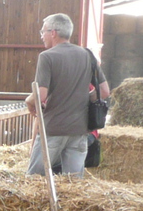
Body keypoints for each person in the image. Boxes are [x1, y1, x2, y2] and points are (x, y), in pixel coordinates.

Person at [25, 12, 110, 178]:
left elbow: (40, 95)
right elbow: (105, 91)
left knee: (34, 178)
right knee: (73, 183)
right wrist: (82, 95)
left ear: (53, 33)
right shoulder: (87, 55)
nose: (42, 36)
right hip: (80, 130)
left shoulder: (47, 57)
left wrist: (28, 101)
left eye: (43, 31)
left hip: (54, 128)